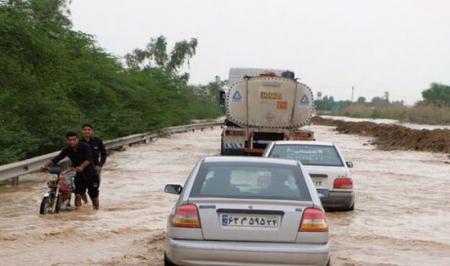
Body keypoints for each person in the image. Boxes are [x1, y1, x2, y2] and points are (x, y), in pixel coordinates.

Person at [42, 131, 100, 210]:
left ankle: (96, 212)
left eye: (74, 139)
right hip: (79, 175)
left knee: (93, 196)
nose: (72, 142)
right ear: (67, 140)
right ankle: (78, 215)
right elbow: (57, 158)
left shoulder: (85, 146)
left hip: (91, 174)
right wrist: (45, 165)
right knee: (77, 195)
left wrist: (81, 167)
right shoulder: (67, 149)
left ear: (78, 139)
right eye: (69, 140)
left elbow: (88, 159)